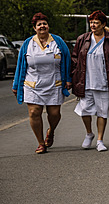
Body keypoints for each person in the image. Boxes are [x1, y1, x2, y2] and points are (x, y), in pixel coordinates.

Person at [12, 13, 72, 154]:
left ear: (48, 26)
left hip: (54, 83)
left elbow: (67, 60)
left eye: (44, 23)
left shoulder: (58, 41)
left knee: (54, 114)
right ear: (34, 28)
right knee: (34, 112)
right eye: (39, 24)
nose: (42, 26)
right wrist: (16, 85)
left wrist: (68, 79)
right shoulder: (28, 44)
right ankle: (40, 143)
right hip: (32, 84)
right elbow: (20, 65)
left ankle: (50, 132)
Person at [72, 10, 109, 152]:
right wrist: (74, 76)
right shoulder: (82, 39)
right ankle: (89, 133)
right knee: (84, 110)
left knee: (102, 112)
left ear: (103, 24)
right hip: (86, 81)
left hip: (104, 82)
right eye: (91, 22)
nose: (93, 25)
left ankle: (100, 140)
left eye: (96, 22)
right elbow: (75, 58)